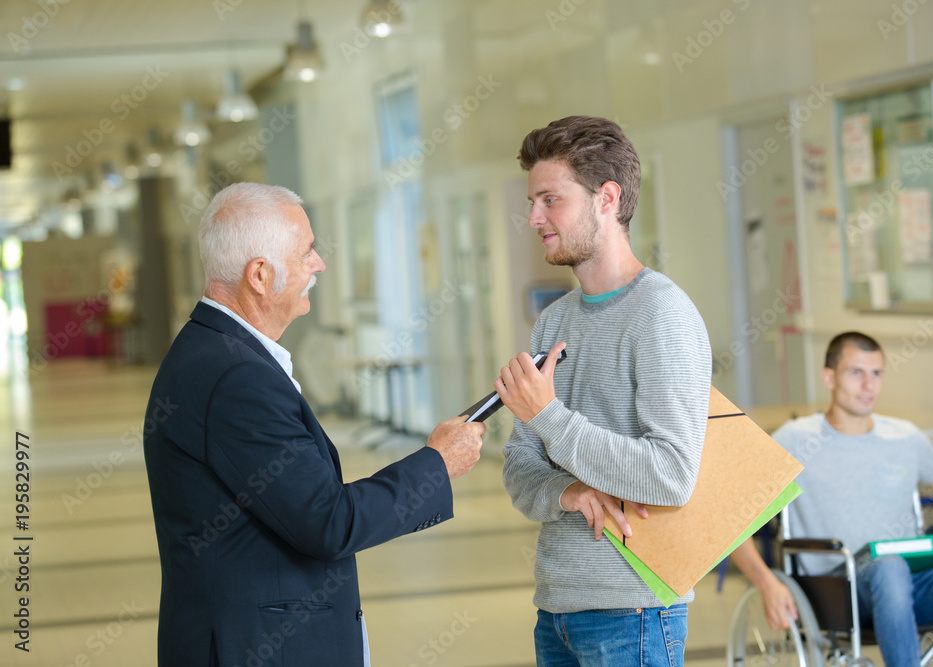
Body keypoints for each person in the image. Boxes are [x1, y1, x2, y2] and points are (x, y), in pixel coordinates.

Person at [143, 182, 486, 667]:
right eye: (307, 252)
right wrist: (437, 464)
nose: (319, 264)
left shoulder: (212, 352)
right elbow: (329, 522)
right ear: (260, 275)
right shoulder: (237, 377)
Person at [497, 116, 713, 666]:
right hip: (558, 608)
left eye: (550, 199)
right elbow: (520, 468)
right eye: (532, 201)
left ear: (606, 199)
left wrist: (549, 417)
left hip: (635, 612)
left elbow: (670, 475)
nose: (533, 218)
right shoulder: (552, 324)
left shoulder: (660, 313)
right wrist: (568, 493)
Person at [730, 331, 933, 666]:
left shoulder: (905, 436)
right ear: (829, 377)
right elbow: (732, 519)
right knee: (889, 567)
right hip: (840, 592)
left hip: (917, 584)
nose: (868, 385)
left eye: (876, 373)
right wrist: (766, 582)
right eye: (856, 372)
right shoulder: (795, 440)